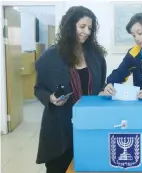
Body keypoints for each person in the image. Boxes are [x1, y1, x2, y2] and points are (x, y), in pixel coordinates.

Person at [34, 6, 107, 173]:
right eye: (82, 27)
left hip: (89, 124)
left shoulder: (96, 55)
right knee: (59, 168)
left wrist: (103, 91)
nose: (87, 32)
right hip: (60, 127)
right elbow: (39, 89)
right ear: (70, 25)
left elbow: (100, 85)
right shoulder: (51, 56)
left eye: (90, 28)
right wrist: (51, 98)